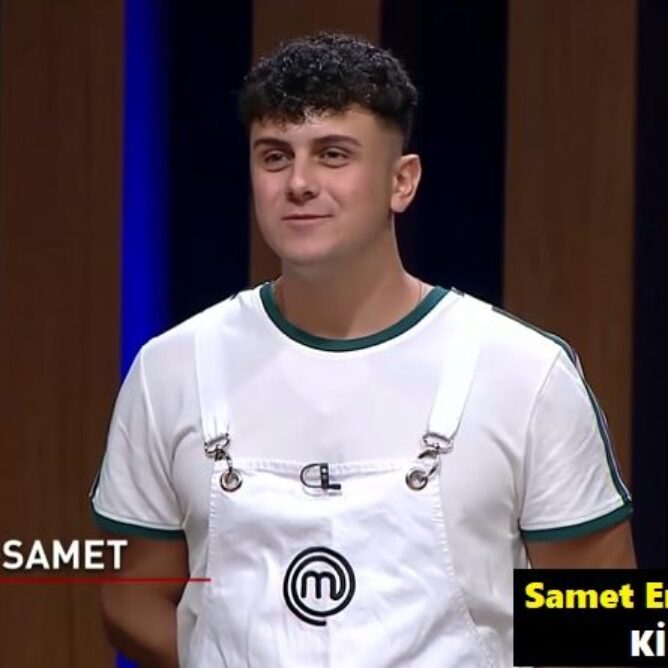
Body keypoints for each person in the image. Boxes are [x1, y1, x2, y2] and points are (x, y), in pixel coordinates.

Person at [91, 32, 635, 667]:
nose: (299, 183)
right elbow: (130, 598)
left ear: (402, 182)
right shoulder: (171, 369)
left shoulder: (524, 372)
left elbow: (607, 622)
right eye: (274, 157)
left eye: (333, 155)